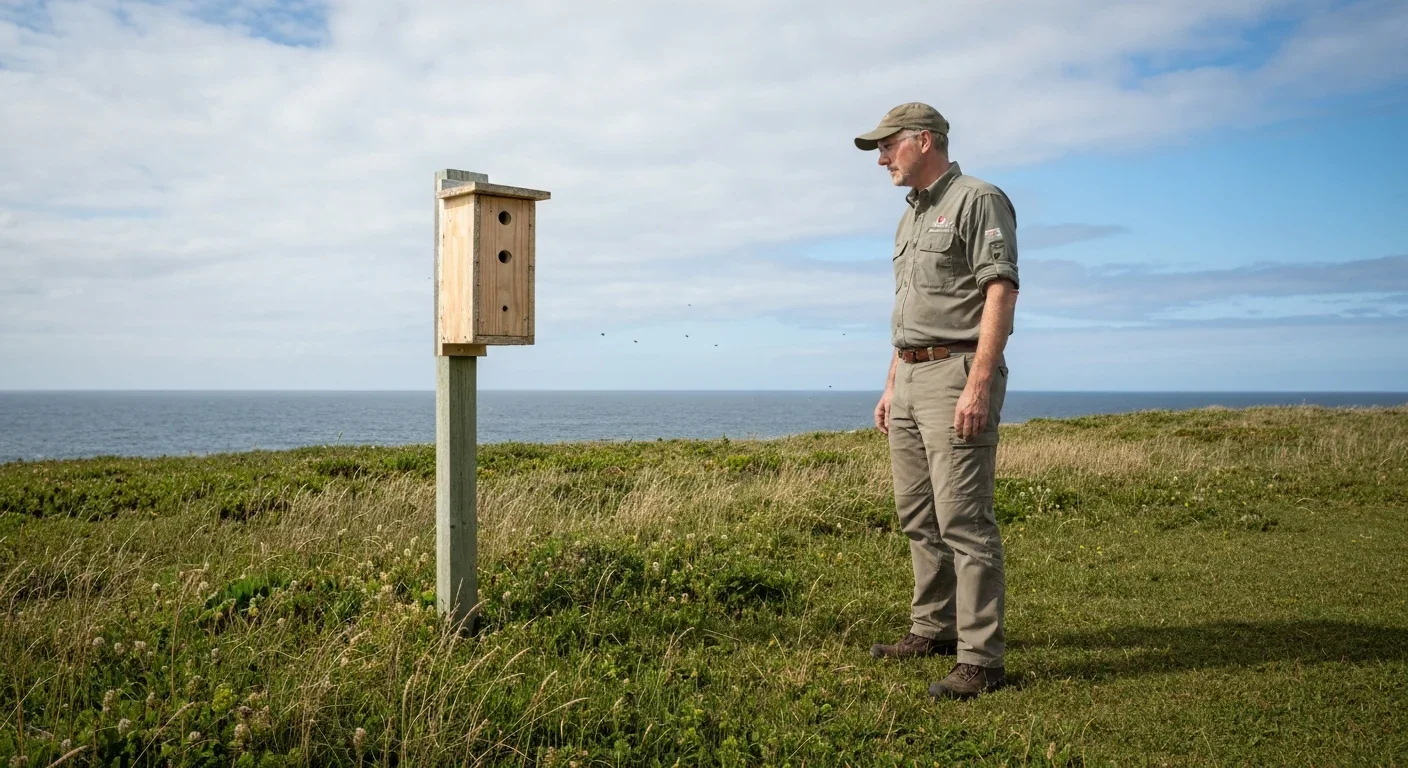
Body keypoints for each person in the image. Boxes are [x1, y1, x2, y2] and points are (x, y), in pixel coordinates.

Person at [855, 102, 1020, 699]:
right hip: (910, 375)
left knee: (963, 519)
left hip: (957, 372)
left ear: (924, 141)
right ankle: (934, 628)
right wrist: (892, 381)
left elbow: (999, 289)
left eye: (887, 146)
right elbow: (912, 309)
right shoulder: (910, 217)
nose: (880, 159)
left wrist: (978, 382)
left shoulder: (978, 199)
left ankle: (981, 659)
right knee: (918, 514)